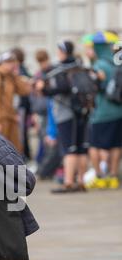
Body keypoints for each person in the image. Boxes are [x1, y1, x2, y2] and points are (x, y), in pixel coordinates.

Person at [36, 41, 90, 193]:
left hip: (66, 114)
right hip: (83, 112)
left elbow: (61, 88)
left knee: (69, 149)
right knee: (81, 149)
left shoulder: (60, 69)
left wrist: (44, 90)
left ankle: (68, 182)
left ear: (63, 51)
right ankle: (81, 181)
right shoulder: (80, 66)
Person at [87, 42, 122, 190]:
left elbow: (92, 88)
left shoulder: (99, 65)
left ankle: (100, 176)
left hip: (102, 113)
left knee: (95, 145)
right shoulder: (116, 62)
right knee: (116, 145)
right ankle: (113, 176)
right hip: (119, 111)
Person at [0, 51, 31, 153]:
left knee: (15, 149)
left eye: (13, 62)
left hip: (11, 118)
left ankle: (14, 169)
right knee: (2, 149)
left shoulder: (10, 77)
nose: (12, 65)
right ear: (3, 63)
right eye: (9, 62)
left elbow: (24, 91)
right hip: (2, 119)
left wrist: (16, 76)